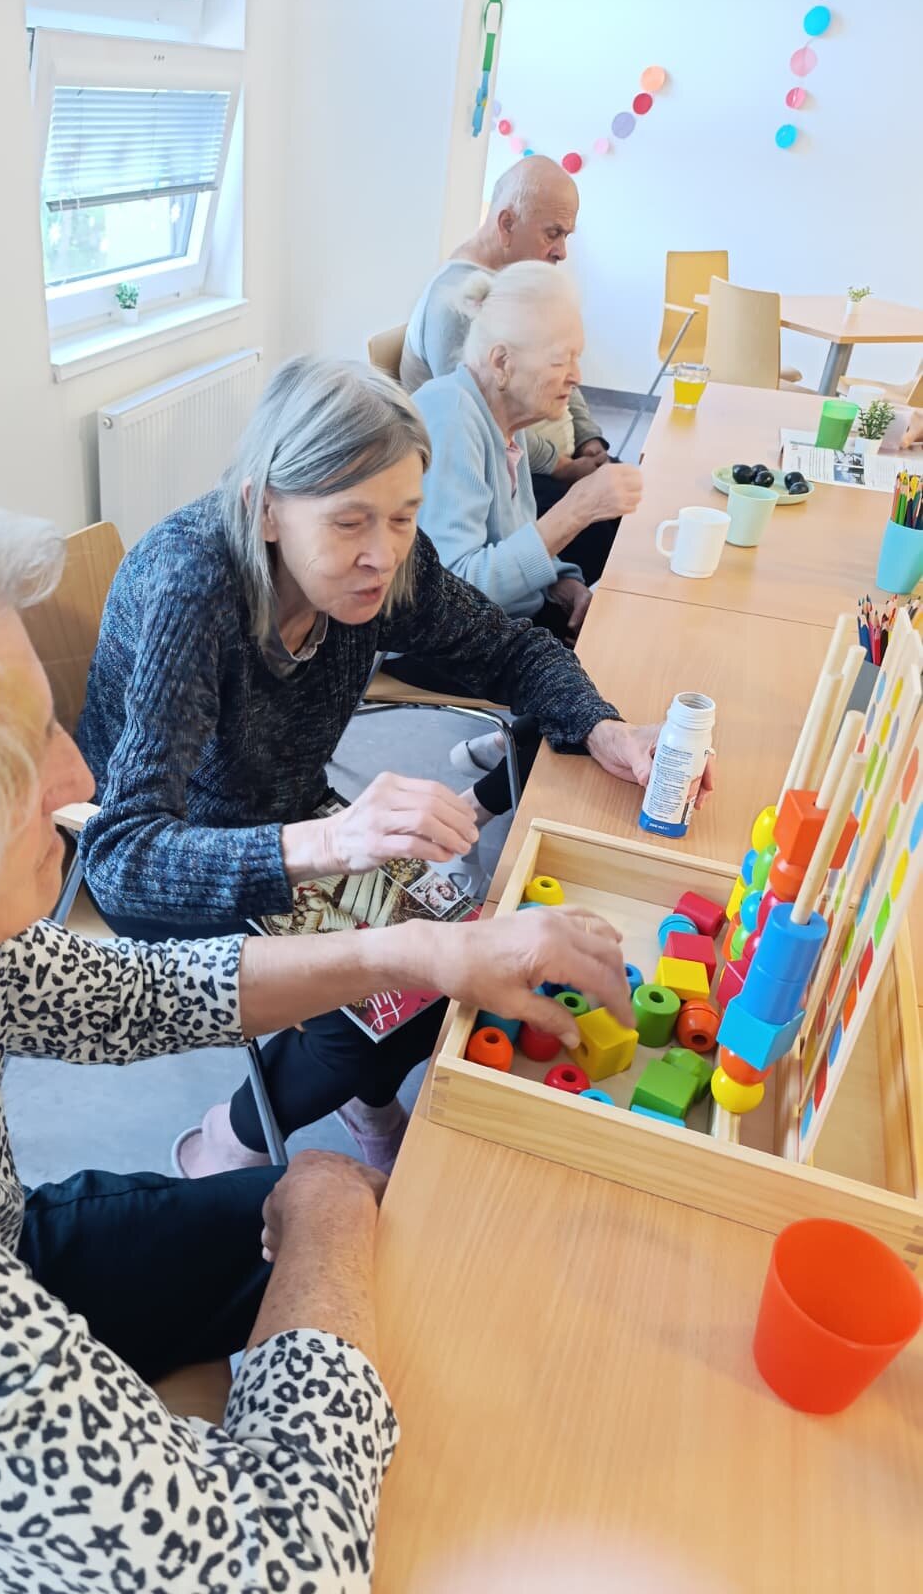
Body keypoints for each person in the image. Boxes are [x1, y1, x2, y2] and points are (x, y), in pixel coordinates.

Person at [0, 471, 637, 1593]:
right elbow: (272, 1570)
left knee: (397, 1258)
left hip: (3, 1243)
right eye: (10, 758)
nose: (80, 776)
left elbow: (124, 993)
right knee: (348, 1238)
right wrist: (324, 1209)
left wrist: (419, 953)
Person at [77, 356, 689, 1181]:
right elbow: (123, 860)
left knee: (460, 956)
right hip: (179, 858)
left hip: (290, 813)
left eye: (405, 517)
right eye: (349, 523)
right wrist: (331, 843)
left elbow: (509, 649)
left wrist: (602, 727)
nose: (384, 554)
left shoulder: (386, 561)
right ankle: (228, 1140)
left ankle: (361, 1096)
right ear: (265, 510)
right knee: (372, 1006)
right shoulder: (192, 590)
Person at [389, 262, 642, 809]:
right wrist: (575, 510)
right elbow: (457, 594)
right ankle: (479, 805)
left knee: (615, 641)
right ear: (502, 362)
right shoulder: (451, 414)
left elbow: (516, 533)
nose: (576, 376)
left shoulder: (503, 420)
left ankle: (503, 749)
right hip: (427, 639)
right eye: (561, 360)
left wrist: (565, 585)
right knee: (605, 678)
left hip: (497, 619)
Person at [400, 154, 620, 586]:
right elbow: (461, 584)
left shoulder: (509, 419)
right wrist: (569, 480)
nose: (562, 251)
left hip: (530, 492)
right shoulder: (467, 396)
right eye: (553, 233)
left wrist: (589, 439)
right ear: (506, 224)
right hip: (483, 596)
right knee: (614, 531)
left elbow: (517, 523)